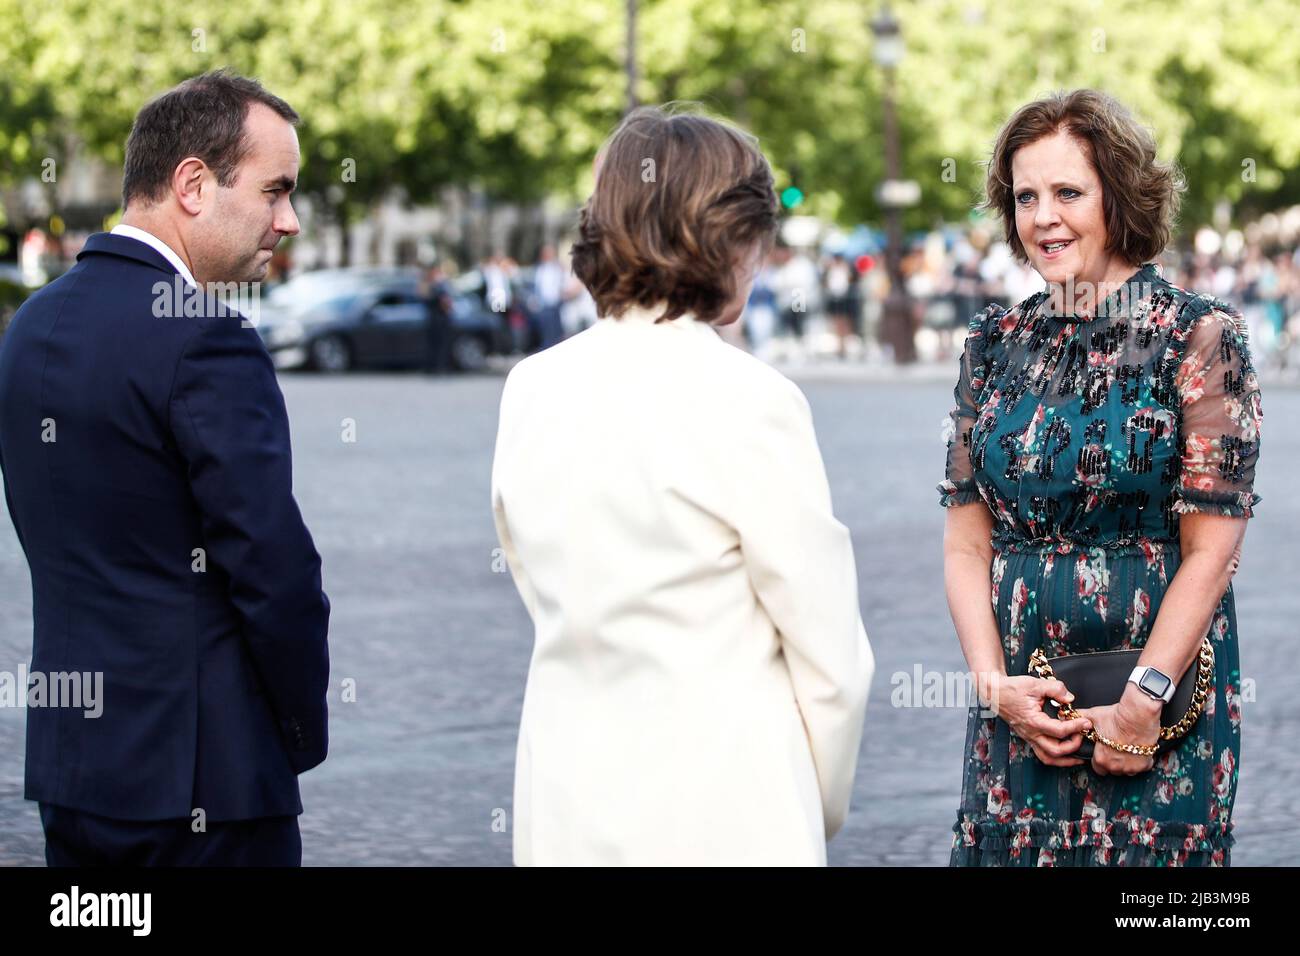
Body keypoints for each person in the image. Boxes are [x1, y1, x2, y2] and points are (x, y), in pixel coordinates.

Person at [491, 104, 874, 866]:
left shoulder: (532, 386)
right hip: (727, 801)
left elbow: (543, 589)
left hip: (568, 791)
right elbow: (830, 656)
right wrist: (810, 798)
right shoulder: (751, 399)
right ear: (726, 239)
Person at [0, 70, 330, 866]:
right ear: (191, 184)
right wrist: (295, 733)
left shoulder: (29, 327)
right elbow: (275, 571)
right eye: (275, 190)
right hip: (206, 782)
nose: (288, 221)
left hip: (76, 774)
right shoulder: (207, 340)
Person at [939, 89, 1261, 866]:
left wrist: (1143, 703)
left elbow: (1212, 550)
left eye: (1068, 193)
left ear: (1118, 197)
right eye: (1025, 197)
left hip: (1157, 704)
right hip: (1021, 704)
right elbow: (963, 545)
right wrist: (993, 689)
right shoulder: (991, 343)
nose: (1043, 217)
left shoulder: (1200, 336)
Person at [421, 262, 455, 374]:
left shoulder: (441, 284)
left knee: (442, 343)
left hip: (441, 317)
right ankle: (434, 366)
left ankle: (440, 366)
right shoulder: (429, 284)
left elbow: (448, 300)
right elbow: (425, 298)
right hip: (434, 318)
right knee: (434, 344)